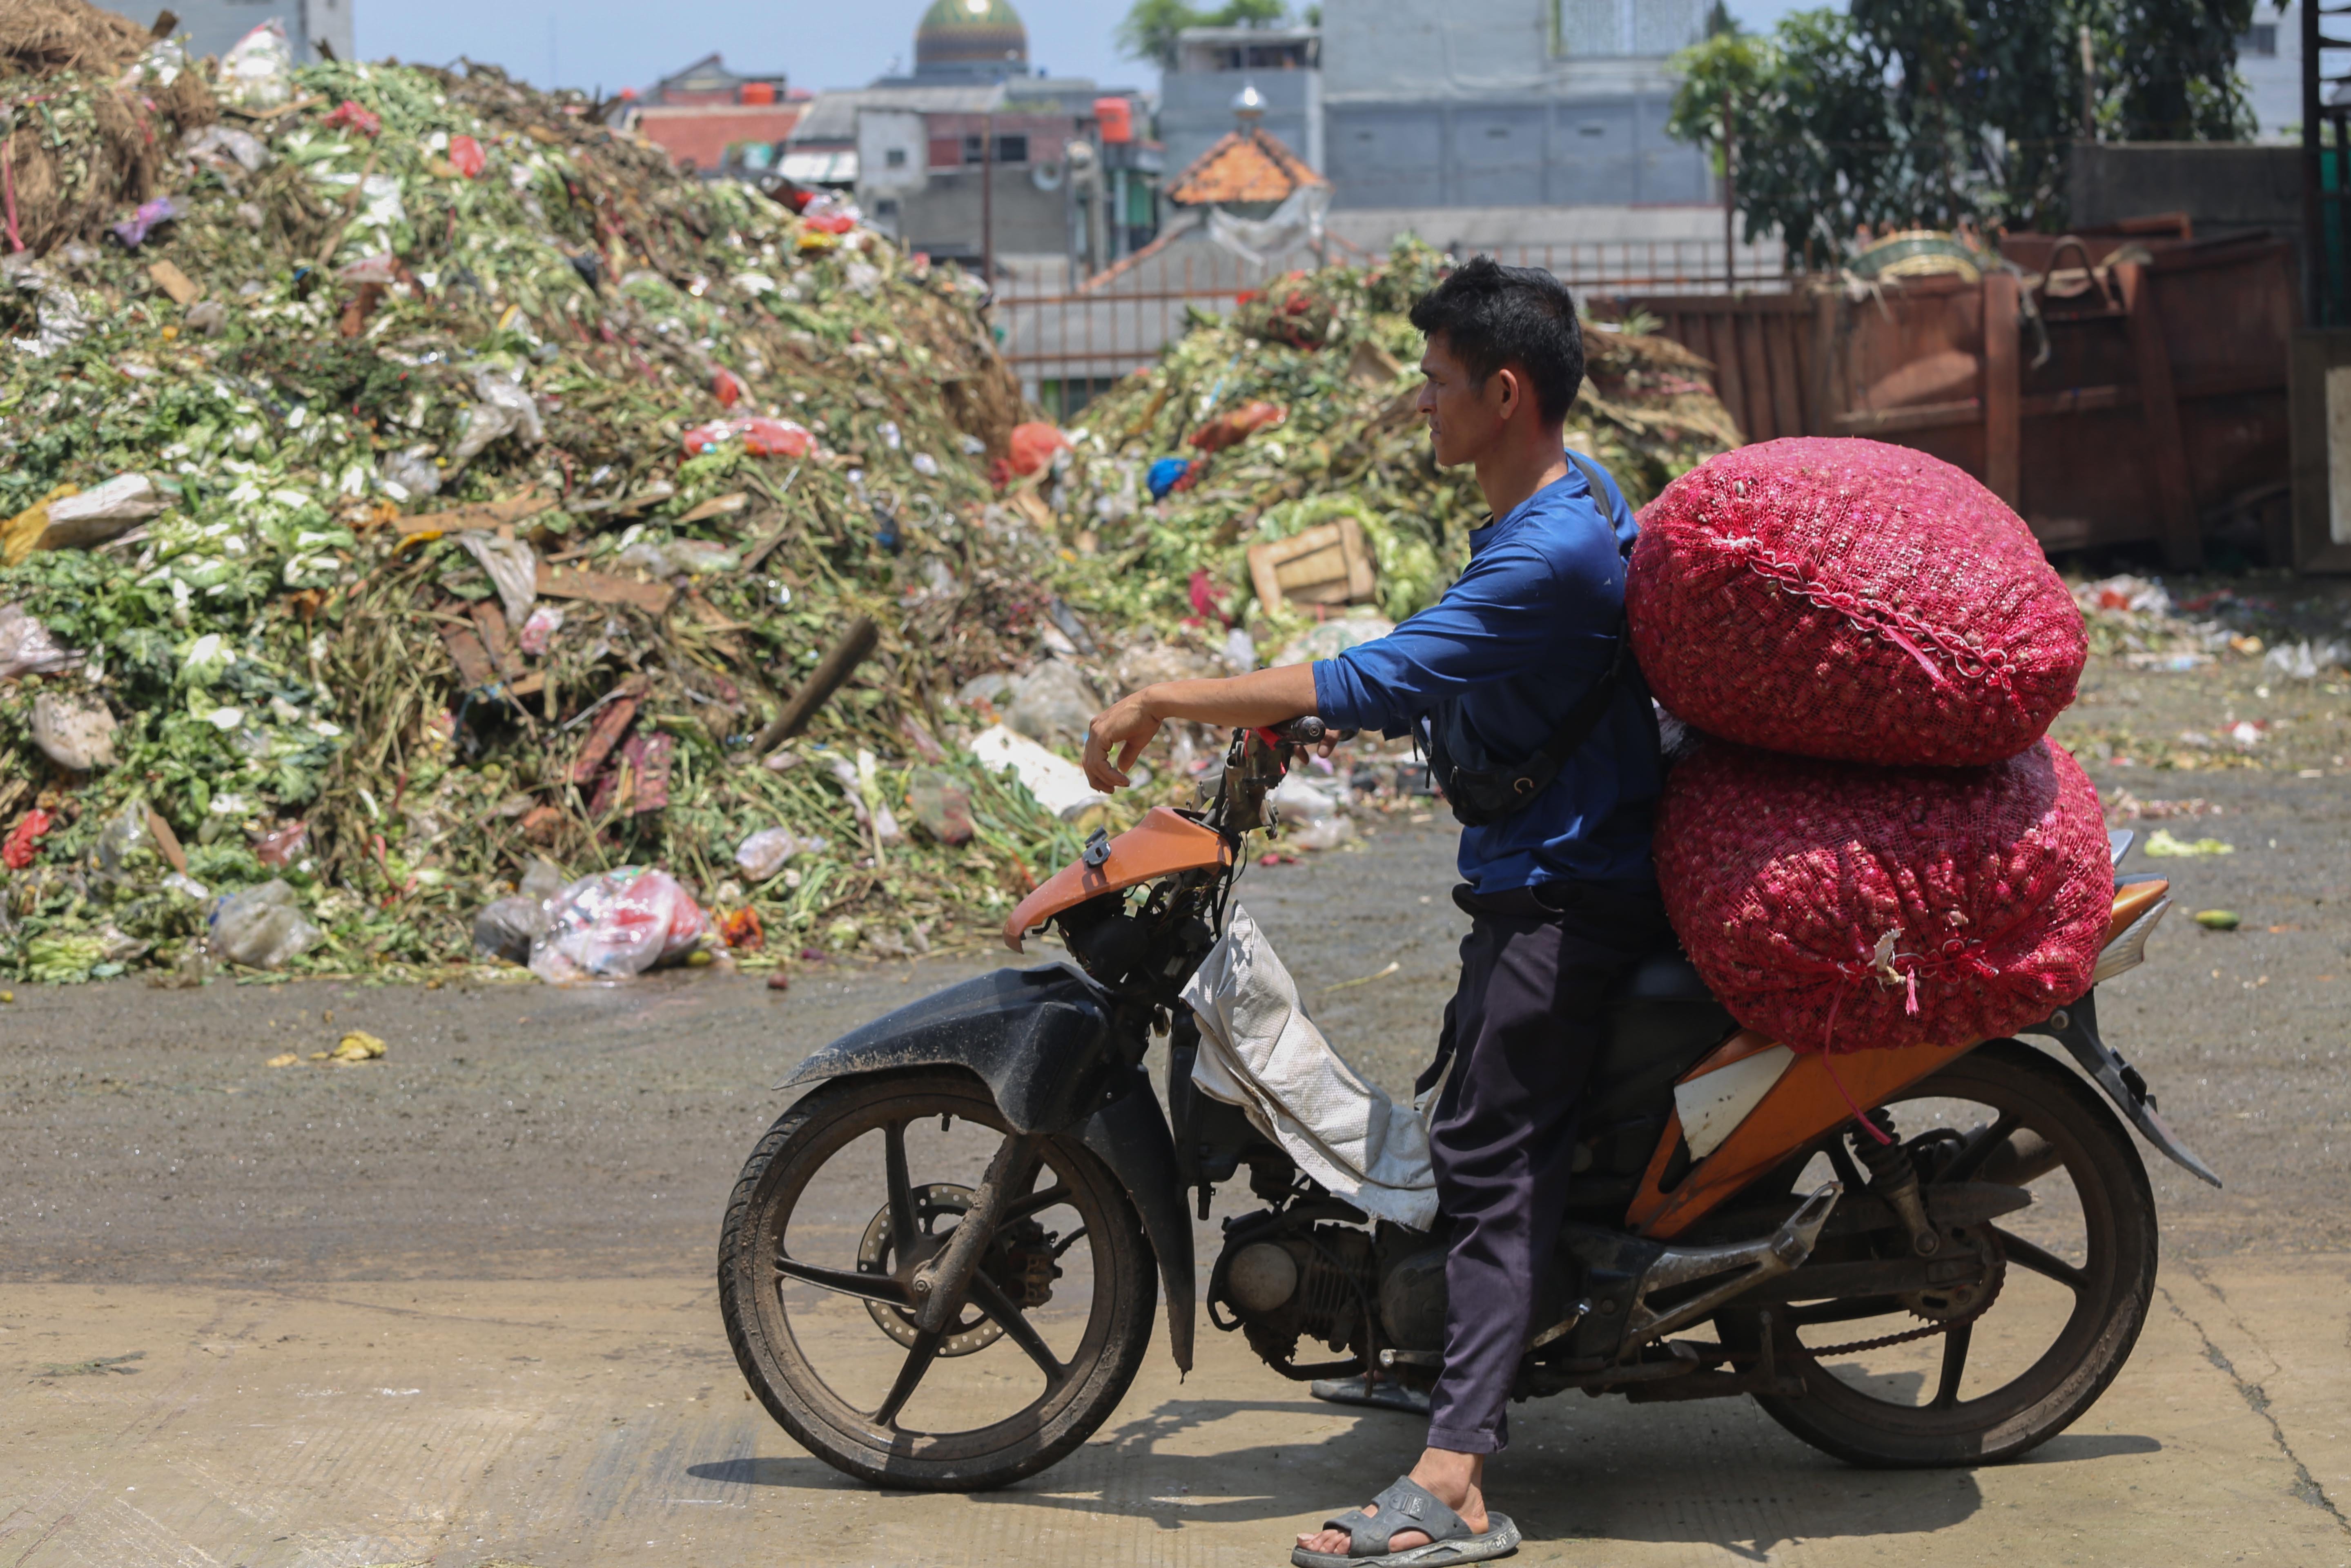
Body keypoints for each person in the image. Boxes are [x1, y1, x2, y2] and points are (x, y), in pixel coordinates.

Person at [1080, 256, 1667, 1567]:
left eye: (1440, 382)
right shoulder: (1564, 504)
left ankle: (1456, 1479)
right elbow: (1434, 669)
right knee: (1464, 1122)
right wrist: (1297, 715)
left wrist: (1175, 695)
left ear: (1504, 393)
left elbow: (1390, 668)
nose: (1423, 402)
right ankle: (1443, 1354)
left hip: (1567, 895)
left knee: (1498, 1169)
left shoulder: (1553, 552)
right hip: (1539, 871)